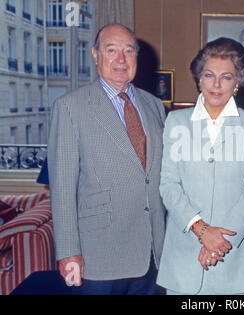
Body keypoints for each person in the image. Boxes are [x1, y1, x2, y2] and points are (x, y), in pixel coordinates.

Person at [47, 23, 166, 295]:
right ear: (95, 54)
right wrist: (67, 252)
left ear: (137, 57)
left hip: (152, 254)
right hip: (97, 258)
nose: (120, 59)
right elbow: (62, 189)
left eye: (128, 51)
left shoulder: (155, 106)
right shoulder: (70, 107)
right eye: (111, 50)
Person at [156, 37, 244, 295]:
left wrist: (219, 240)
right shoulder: (176, 122)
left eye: (226, 77)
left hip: (236, 259)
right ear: (199, 79)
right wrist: (201, 229)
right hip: (183, 258)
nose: (216, 84)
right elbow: (169, 184)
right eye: (209, 75)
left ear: (238, 82)